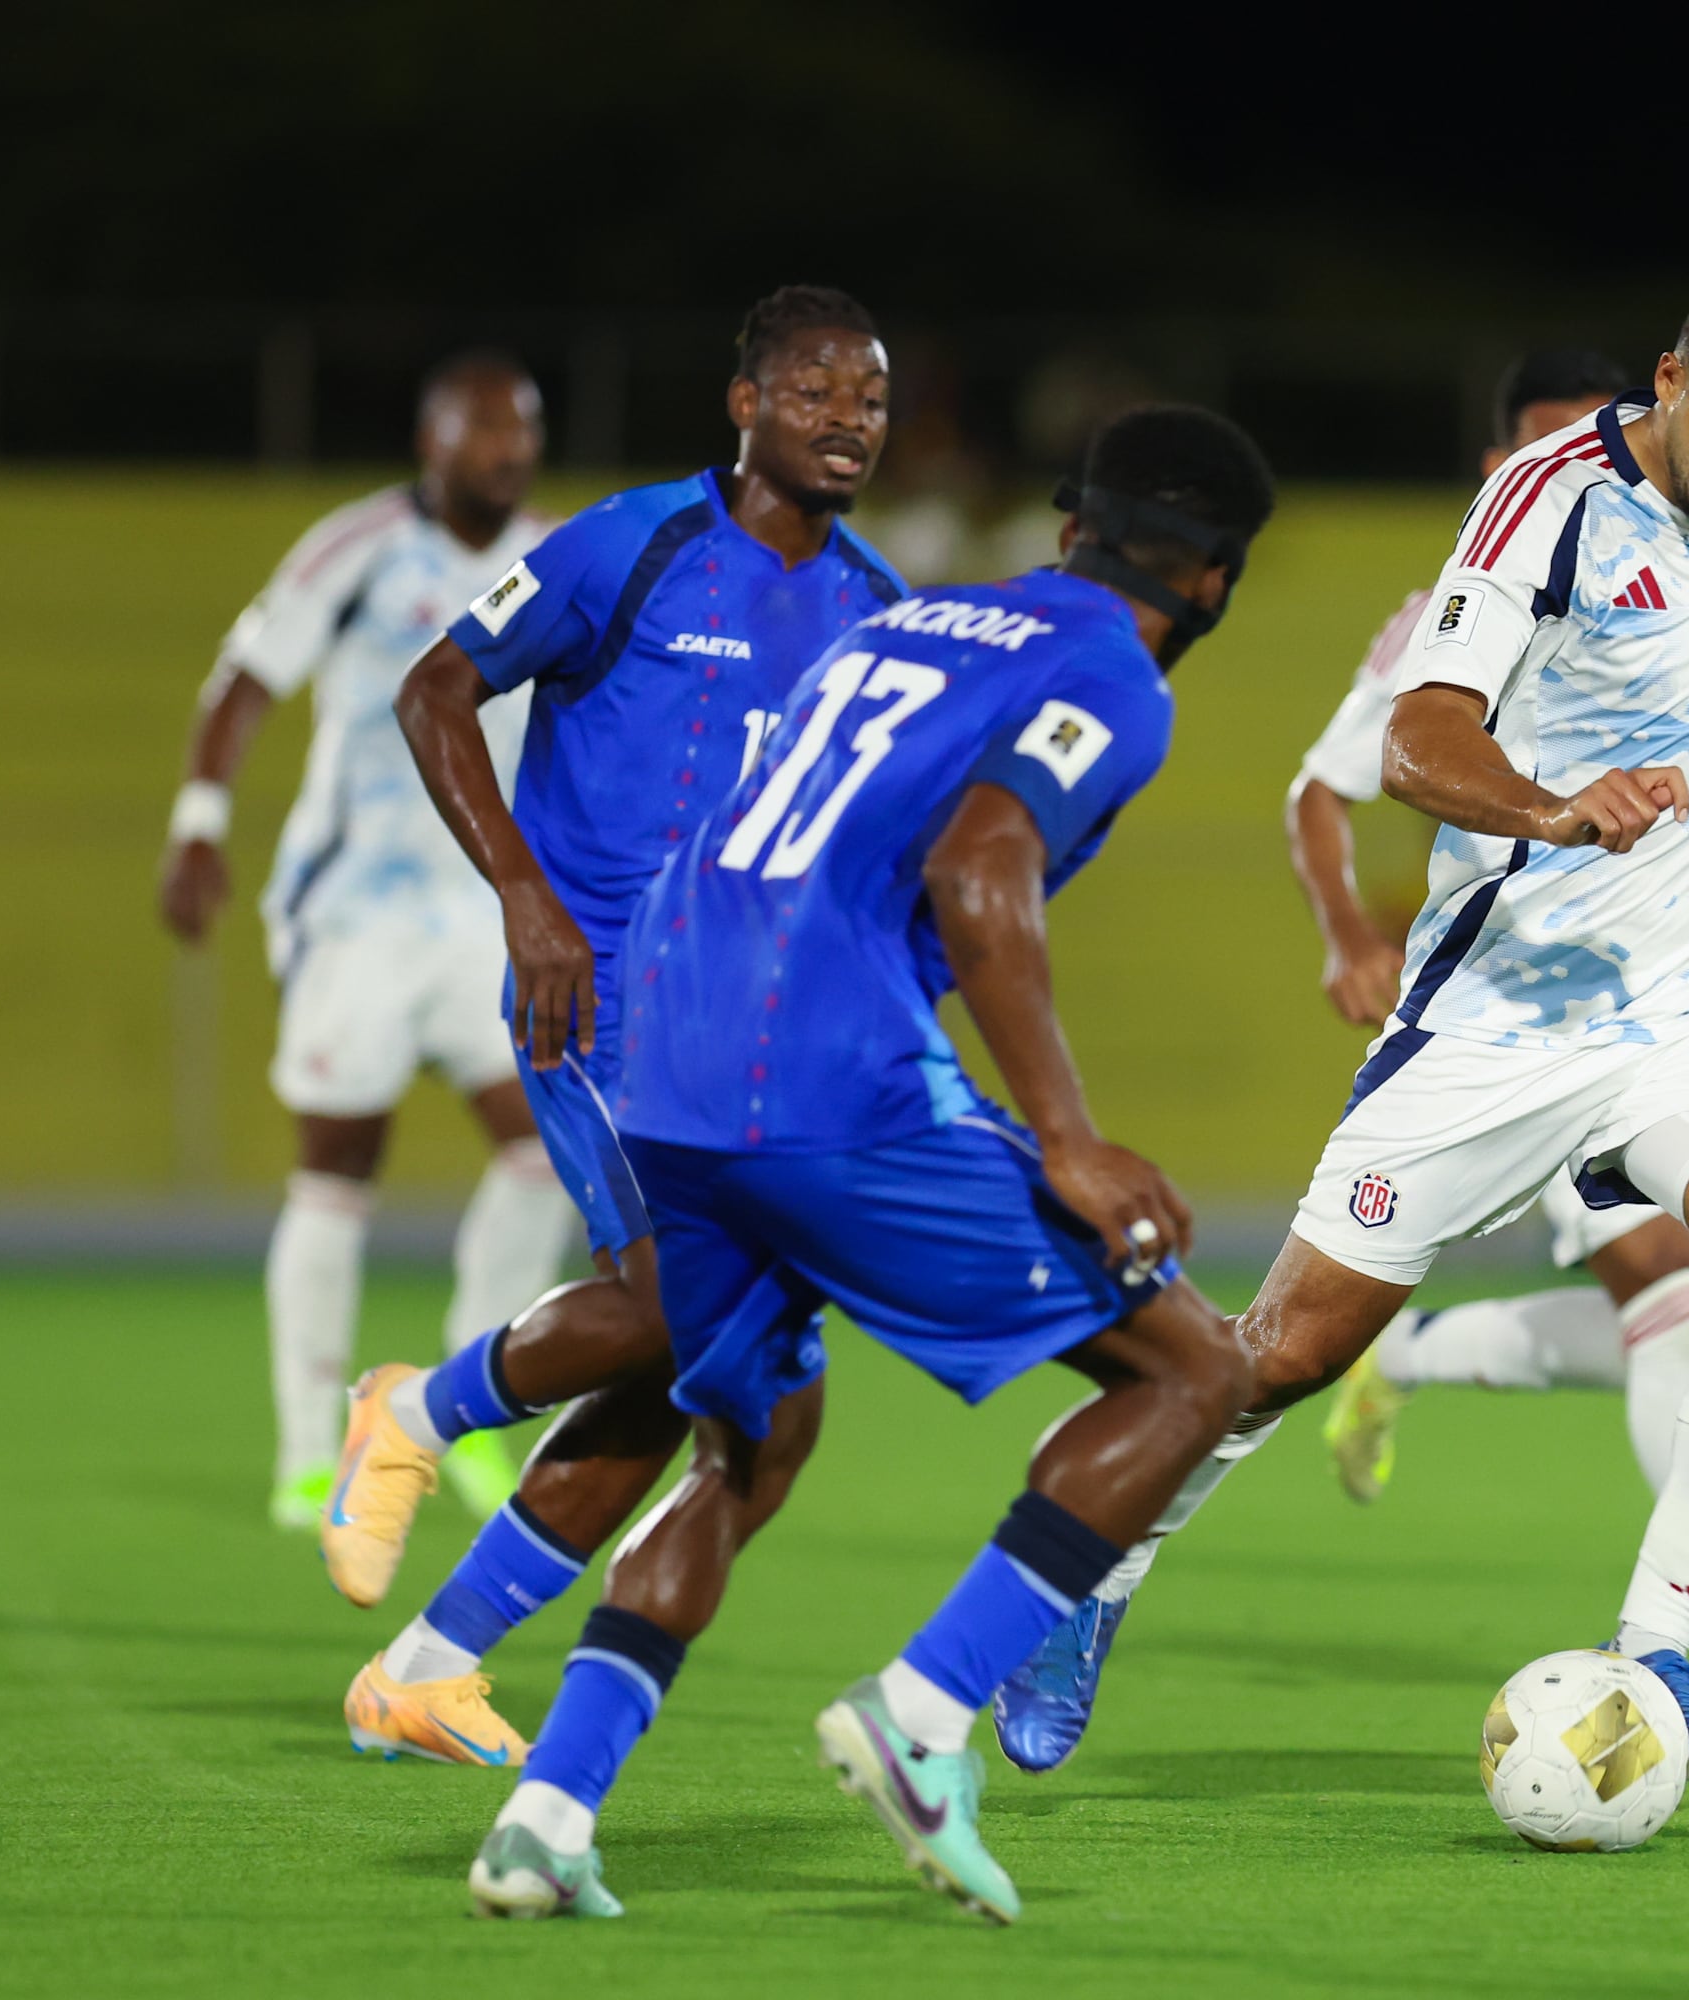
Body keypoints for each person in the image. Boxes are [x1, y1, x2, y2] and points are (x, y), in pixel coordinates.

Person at [1001, 260, 1689, 1788]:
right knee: (1280, 1354)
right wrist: (1554, 808)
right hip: (1504, 1012)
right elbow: (1416, 737)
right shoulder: (1544, 501)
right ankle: (1094, 1578)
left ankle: (1659, 1653)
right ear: (1668, 379)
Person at [461, 407, 1273, 1925]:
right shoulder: (1111, 673)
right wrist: (1068, 1137)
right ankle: (926, 1706)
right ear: (1214, 584)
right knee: (1193, 1377)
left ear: (1065, 530)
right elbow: (981, 866)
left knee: (748, 1448)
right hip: (819, 1076)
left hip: (672, 1063)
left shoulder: (900, 620)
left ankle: (546, 1818)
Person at [1247, 348, 1689, 1739]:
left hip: (1678, 1009)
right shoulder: (1476, 581)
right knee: (1641, 1311)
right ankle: (1109, 1543)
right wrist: (1347, 933)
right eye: (1544, 446)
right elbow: (1330, 787)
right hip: (1505, 1009)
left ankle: (1688, 1640)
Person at [329, 286, 904, 1768]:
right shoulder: (631, 543)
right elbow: (436, 690)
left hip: (753, 1038)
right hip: (599, 993)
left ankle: (430, 1664)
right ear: (747, 404)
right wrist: (526, 900)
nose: (848, 421)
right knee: (674, 1304)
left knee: (718, 1380)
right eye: (817, 393)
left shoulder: (874, 605)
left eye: (872, 401)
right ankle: (417, 1405)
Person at [156, 353, 577, 1533]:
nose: (509, 450)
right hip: (358, 913)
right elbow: (244, 678)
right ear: (433, 439)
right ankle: (307, 1448)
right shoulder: (359, 547)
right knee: (337, 1167)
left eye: (525, 430)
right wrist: (199, 821)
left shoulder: (555, 558)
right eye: (486, 430)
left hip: (489, 912)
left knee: (543, 1148)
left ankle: (465, 1400)